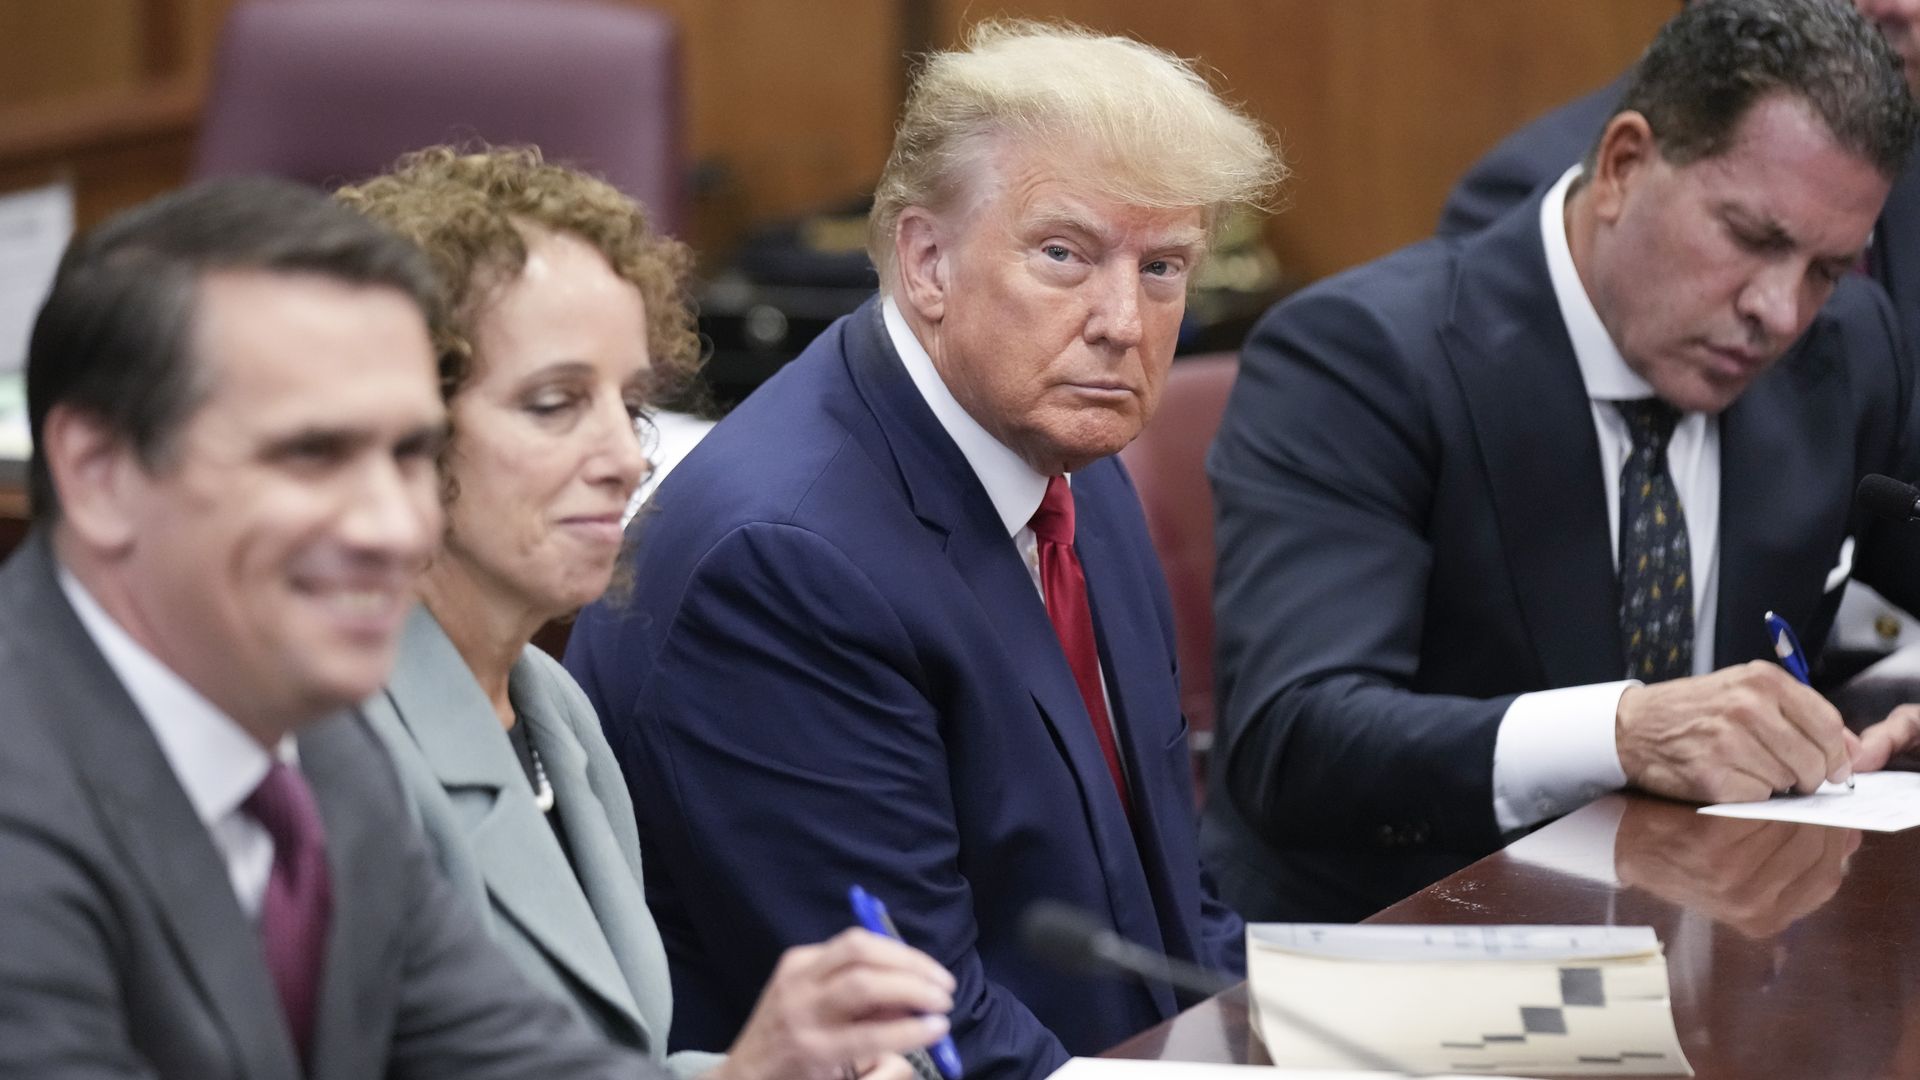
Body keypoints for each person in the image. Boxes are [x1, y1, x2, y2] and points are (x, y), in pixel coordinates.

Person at [564, 21, 1283, 1080]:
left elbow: (1173, 906)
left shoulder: (1076, 460)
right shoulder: (781, 566)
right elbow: (920, 1027)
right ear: (927, 260)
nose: (1124, 321)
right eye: (1064, 255)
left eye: (1166, 266)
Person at [1202, 0, 1920, 923]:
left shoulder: (1847, 348)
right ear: (1623, 165)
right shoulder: (1364, 358)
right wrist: (1621, 732)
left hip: (1719, 949)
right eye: (1751, 238)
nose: (1781, 312)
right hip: (1422, 957)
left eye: (1826, 268)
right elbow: (1294, 738)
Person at [0, 177, 666, 1078]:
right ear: (98, 472)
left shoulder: (323, 754)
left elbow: (516, 1064)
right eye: (313, 455)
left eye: (407, 454)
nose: (396, 527)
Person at [337, 146, 955, 1080]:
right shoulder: (330, 754)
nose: (624, 460)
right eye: (554, 405)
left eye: (627, 405)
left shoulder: (554, 708)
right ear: (395, 428)